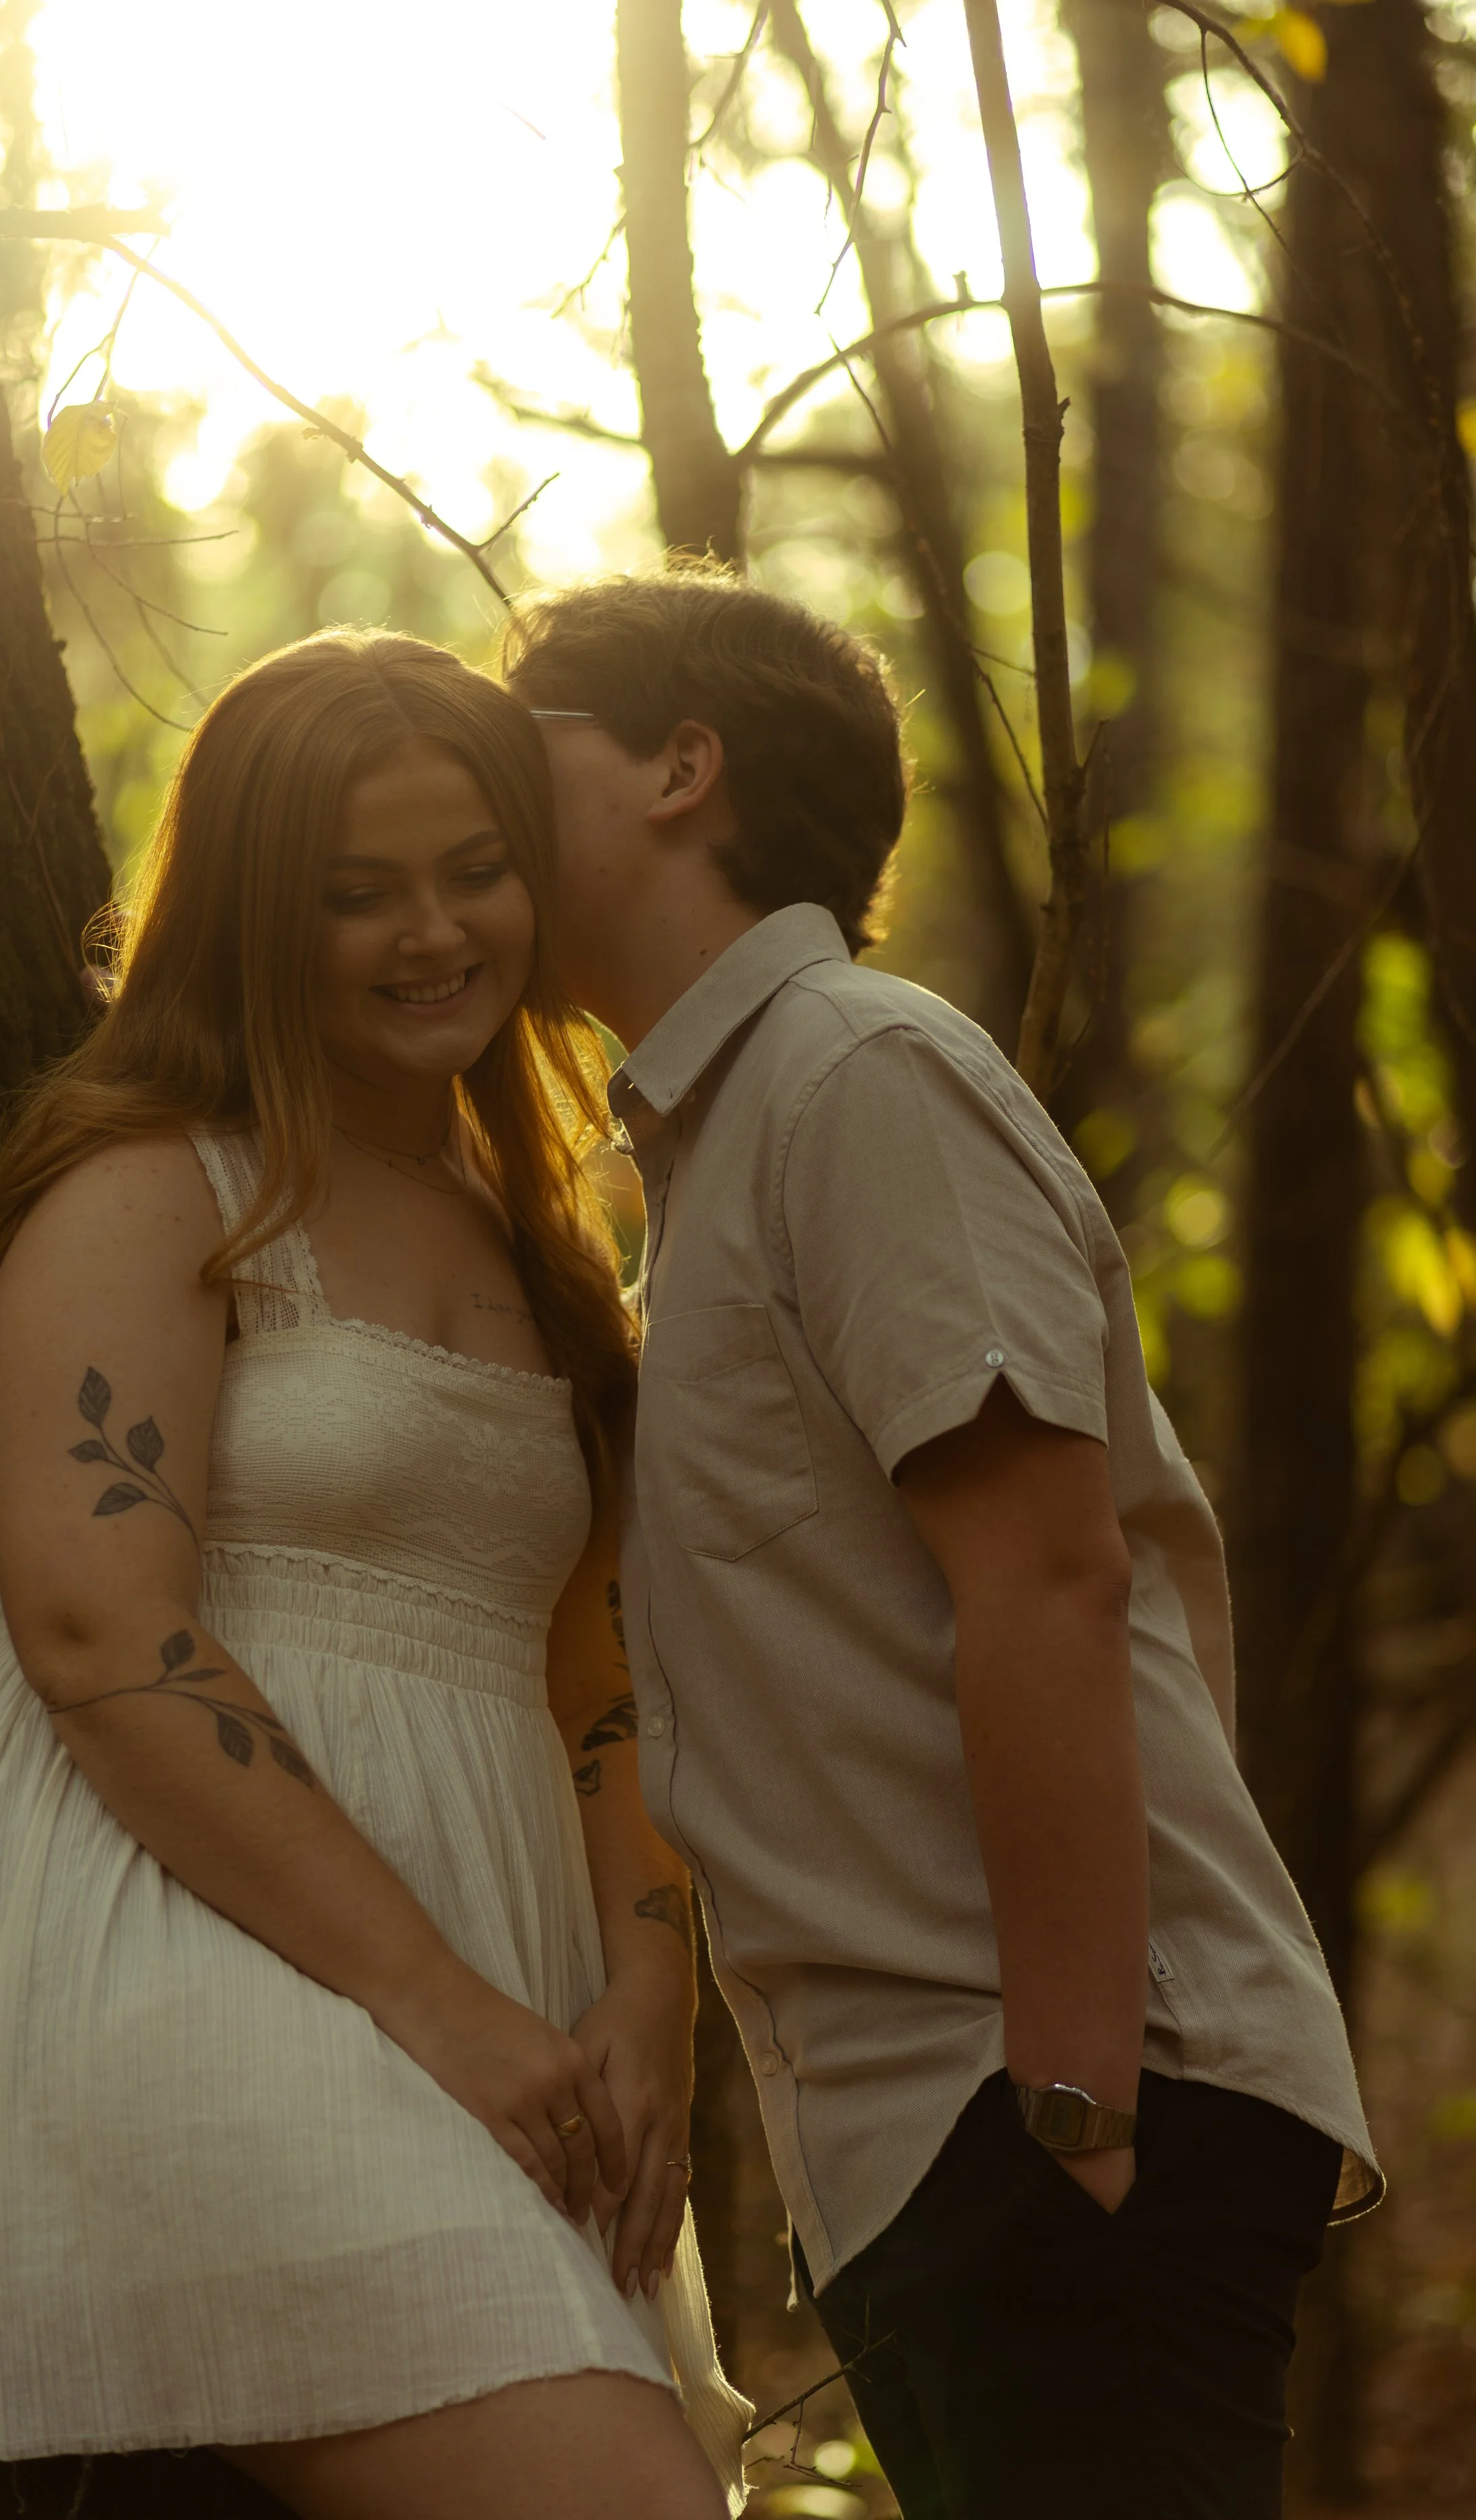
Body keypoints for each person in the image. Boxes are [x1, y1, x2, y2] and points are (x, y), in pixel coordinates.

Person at [0, 632, 748, 2519]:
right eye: (354, 892)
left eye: (474, 869)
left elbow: (603, 1669)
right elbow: (97, 1626)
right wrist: (439, 2005)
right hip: (170, 1934)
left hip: (486, 1966)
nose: (432, 932)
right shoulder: (154, 1179)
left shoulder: (540, 1239)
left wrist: (647, 1997)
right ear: (248, 910)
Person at [505, 567, 1383, 2520]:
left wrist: (1069, 2100)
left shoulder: (853, 1072)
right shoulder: (720, 1139)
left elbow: (1046, 1575)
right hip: (941, 2142)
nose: (474, 773)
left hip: (1058, 2111)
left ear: (678, 765)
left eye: (520, 722)